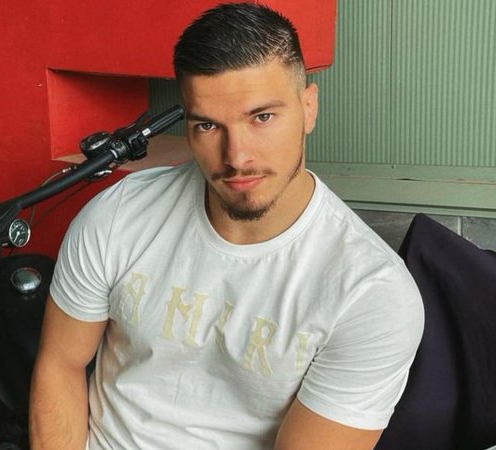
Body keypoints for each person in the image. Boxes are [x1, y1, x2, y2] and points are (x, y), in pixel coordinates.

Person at [30, 3, 424, 449]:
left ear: (309, 107)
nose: (236, 156)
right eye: (208, 125)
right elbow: (60, 364)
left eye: (262, 117)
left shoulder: (372, 294)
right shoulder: (118, 215)